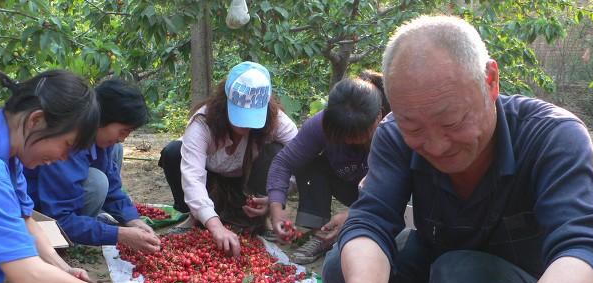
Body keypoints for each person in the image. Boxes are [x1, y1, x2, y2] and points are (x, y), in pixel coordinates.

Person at [322, 15, 593, 283]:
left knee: (462, 275)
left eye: (452, 121)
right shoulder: (394, 136)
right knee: (342, 268)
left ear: (490, 81)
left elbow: (585, 248)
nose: (436, 145)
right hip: (438, 273)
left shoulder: (553, 136)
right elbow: (371, 219)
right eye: (414, 126)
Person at [0, 70, 157, 283]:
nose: (64, 159)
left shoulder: (5, 146)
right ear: (36, 121)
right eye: (67, 145)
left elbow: (25, 220)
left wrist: (63, 268)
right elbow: (32, 280)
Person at [159, 61, 298, 257]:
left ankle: (257, 218)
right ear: (224, 102)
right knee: (173, 152)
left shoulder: (278, 121)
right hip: (210, 178)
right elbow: (193, 178)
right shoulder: (202, 123)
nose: (245, 125)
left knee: (276, 151)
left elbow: (300, 159)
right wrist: (215, 227)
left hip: (245, 180)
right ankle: (195, 216)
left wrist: (275, 200)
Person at [267, 71, 390, 264]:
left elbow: (395, 187)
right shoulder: (320, 125)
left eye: (356, 136)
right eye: (342, 136)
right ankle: (320, 234)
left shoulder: (394, 131)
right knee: (310, 163)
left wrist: (353, 214)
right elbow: (284, 163)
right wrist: (275, 206)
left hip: (383, 193)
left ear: (379, 118)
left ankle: (359, 229)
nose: (348, 141)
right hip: (346, 182)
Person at [24, 78, 160, 253]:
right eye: (123, 131)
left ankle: (88, 224)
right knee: (97, 181)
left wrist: (132, 219)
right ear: (101, 119)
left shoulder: (99, 140)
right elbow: (61, 218)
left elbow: (113, 185)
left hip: (58, 205)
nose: (123, 138)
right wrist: (120, 234)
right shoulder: (65, 145)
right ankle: (66, 241)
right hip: (40, 218)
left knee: (115, 150)